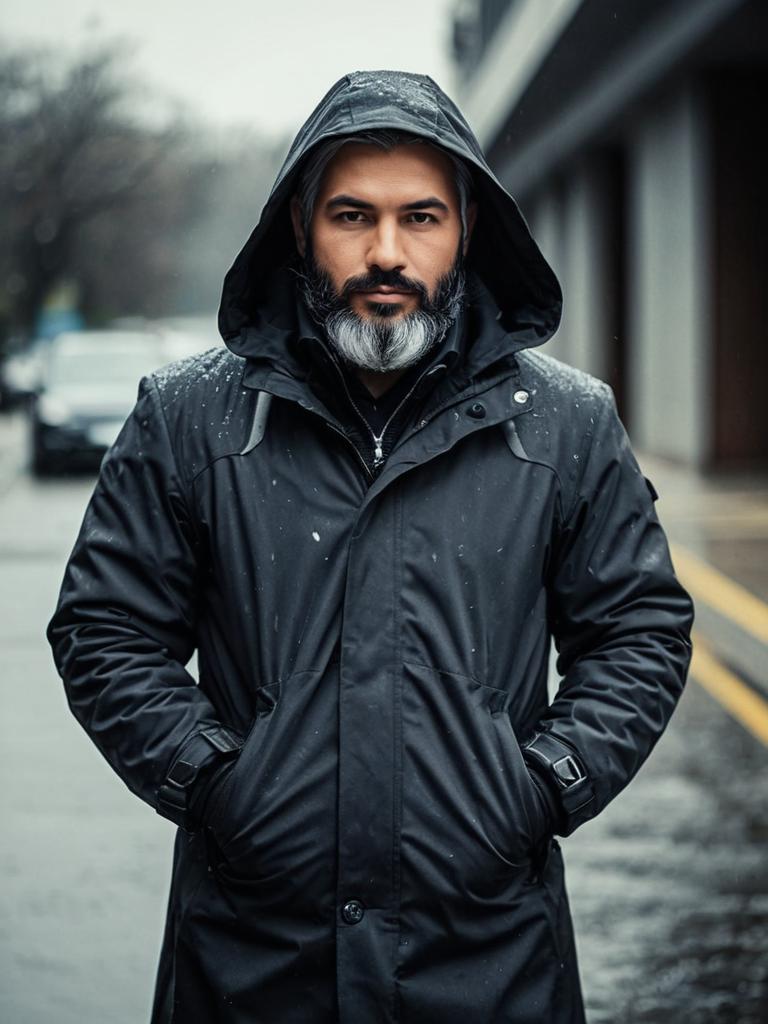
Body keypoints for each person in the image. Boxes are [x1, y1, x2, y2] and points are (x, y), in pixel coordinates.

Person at [47, 70, 694, 1024]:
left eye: (420, 218)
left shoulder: (565, 423)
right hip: (252, 962)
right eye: (352, 215)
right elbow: (106, 630)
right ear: (300, 225)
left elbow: (638, 628)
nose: (386, 252)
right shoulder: (189, 416)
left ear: (467, 230)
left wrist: (544, 785)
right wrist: (220, 785)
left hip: (487, 961)